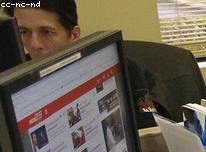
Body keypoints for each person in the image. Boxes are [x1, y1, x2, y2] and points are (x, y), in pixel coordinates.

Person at [4, 0, 163, 128]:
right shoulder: (10, 81)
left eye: (46, 32)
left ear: (74, 34)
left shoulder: (125, 69)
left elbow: (150, 136)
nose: (35, 44)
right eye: (24, 32)